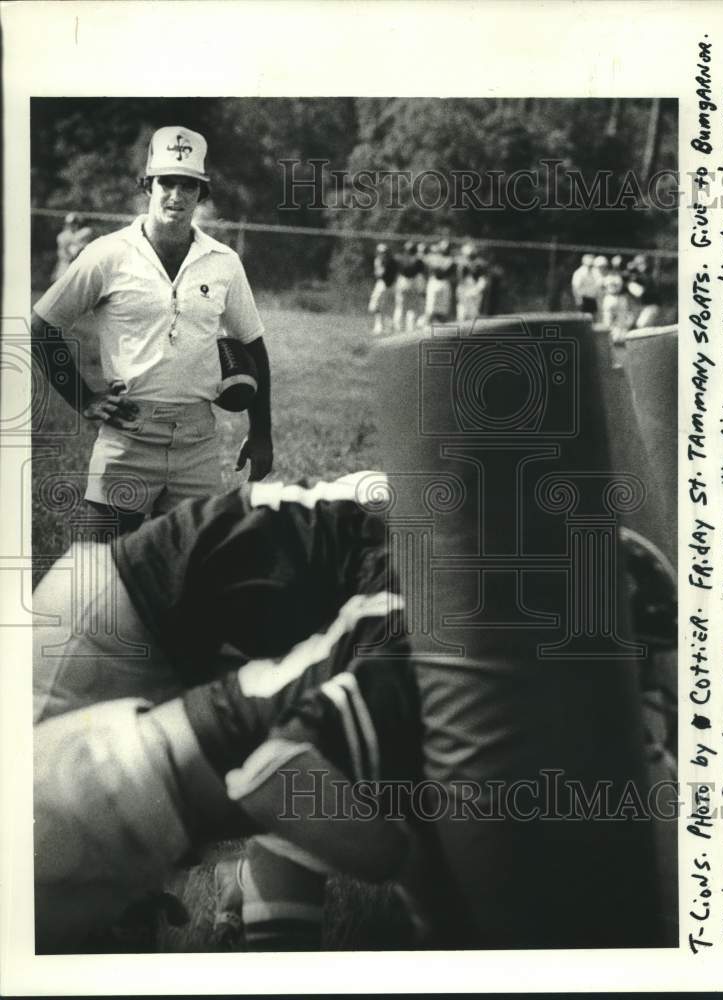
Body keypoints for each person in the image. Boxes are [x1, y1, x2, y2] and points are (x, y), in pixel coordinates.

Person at [33, 461, 676, 952]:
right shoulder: (428, 592)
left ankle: (244, 923)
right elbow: (283, 773)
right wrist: (411, 868)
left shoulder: (453, 571)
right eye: (634, 664)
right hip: (120, 626)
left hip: (153, 664)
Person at [32, 125, 273, 534]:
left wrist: (262, 433)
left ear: (201, 193)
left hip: (197, 442)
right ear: (148, 185)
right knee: (101, 578)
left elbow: (254, 346)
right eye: (167, 183)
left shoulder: (224, 262)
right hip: (128, 435)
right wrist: (82, 398)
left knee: (189, 581)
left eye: (188, 185)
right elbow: (43, 325)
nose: (176, 195)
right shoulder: (108, 253)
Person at [51, 212, 94, 282]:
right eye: (71, 224)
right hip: (65, 263)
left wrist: (74, 242)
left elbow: (86, 234)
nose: (73, 226)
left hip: (78, 264)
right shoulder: (62, 235)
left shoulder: (85, 232)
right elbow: (64, 249)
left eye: (75, 223)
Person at [367, 243, 398, 335]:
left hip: (387, 285)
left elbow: (381, 274)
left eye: (383, 252)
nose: (382, 254)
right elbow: (378, 274)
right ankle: (380, 326)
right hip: (383, 284)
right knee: (377, 307)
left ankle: (386, 327)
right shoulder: (379, 260)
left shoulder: (390, 262)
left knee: (384, 307)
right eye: (380, 252)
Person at [627, 254, 662, 328]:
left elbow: (644, 286)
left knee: (641, 325)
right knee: (631, 324)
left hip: (651, 306)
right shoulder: (635, 275)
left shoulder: (650, 274)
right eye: (638, 264)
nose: (640, 265)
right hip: (641, 306)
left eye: (642, 263)